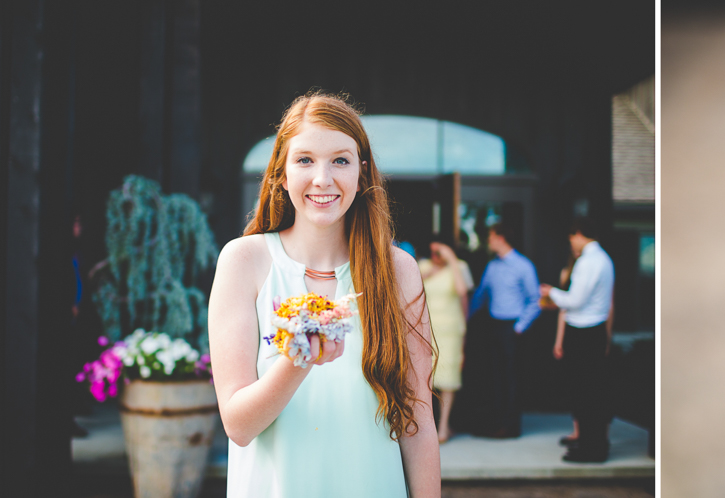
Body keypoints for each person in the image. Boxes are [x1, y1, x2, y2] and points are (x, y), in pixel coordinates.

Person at [208, 92, 440, 497]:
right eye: (304, 160)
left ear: (361, 174)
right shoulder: (244, 261)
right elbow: (238, 426)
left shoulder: (398, 270)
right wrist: (300, 358)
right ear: (281, 173)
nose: (322, 178)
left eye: (340, 160)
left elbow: (417, 422)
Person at [541, 217, 615, 463]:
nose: (571, 241)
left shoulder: (588, 261)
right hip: (595, 330)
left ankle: (592, 450)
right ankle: (591, 444)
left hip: (583, 332)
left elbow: (575, 300)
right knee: (591, 391)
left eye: (572, 236)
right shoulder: (604, 260)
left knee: (586, 393)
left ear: (580, 234)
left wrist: (551, 292)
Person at [464, 222, 541, 437]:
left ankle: (511, 426)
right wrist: (465, 318)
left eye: (490, 237)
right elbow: (480, 295)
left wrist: (519, 327)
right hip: (493, 325)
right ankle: (497, 423)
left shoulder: (523, 266)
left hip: (512, 328)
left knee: (511, 378)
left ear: (500, 238)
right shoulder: (492, 266)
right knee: (495, 377)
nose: (488, 242)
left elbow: (535, 300)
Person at [418, 240, 473, 443]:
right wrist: (427, 274)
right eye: (433, 251)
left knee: (448, 378)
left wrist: (452, 261)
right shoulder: (423, 266)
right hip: (426, 327)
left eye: (440, 252)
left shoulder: (460, 267)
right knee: (425, 377)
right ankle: (427, 426)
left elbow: (462, 291)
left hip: (450, 330)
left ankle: (443, 427)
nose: (436, 256)